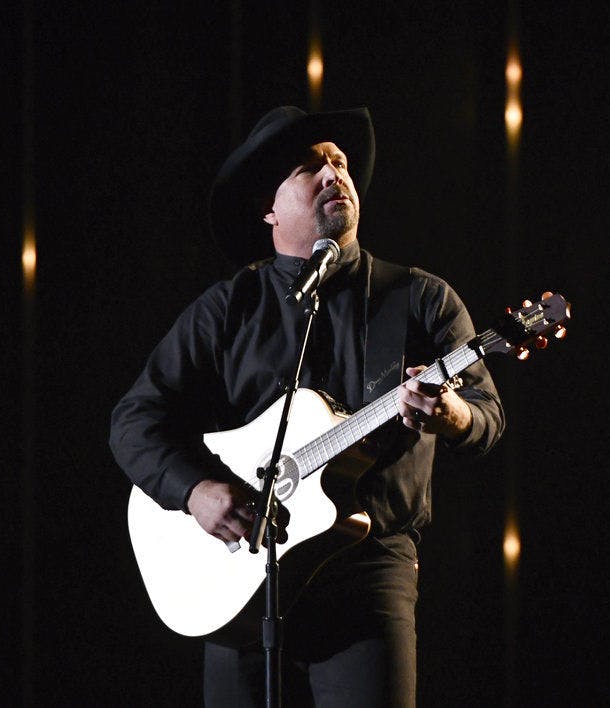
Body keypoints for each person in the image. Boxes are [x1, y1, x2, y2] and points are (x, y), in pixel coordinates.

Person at [109, 106, 505, 706]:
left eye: (339, 163)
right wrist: (195, 491)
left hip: (366, 577)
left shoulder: (419, 298)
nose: (334, 174)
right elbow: (135, 420)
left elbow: (486, 417)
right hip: (241, 579)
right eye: (309, 167)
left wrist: (450, 413)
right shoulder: (229, 308)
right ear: (269, 209)